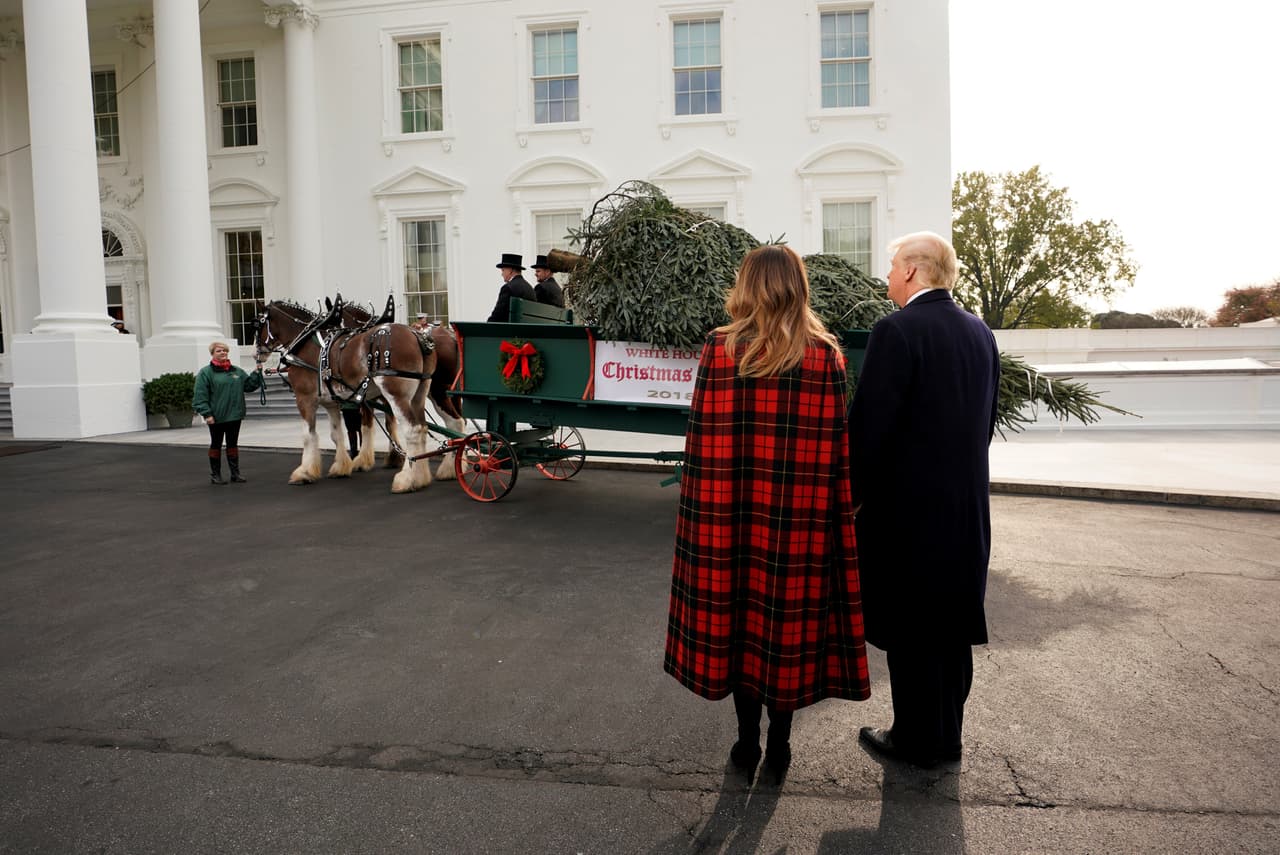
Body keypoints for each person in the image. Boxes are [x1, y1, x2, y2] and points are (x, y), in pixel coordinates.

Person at [664, 244, 871, 785]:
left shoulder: (717, 349)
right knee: (784, 630)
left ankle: (747, 741)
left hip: (728, 520)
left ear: (747, 286)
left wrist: (700, 511)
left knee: (735, 625)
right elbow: (836, 452)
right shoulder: (826, 356)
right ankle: (779, 744)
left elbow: (701, 443)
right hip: (797, 525)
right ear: (798, 287)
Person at [846, 231, 1001, 769]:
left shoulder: (896, 331)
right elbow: (985, 421)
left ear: (912, 271)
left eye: (892, 267)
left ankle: (913, 739)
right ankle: (945, 736)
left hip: (909, 513)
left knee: (912, 629)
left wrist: (855, 496)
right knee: (951, 626)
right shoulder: (981, 332)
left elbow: (871, 428)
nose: (887, 276)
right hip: (964, 509)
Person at [192, 341, 266, 485]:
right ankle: (215, 475)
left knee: (232, 444)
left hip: (234, 415)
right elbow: (200, 396)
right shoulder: (205, 373)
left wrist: (257, 373)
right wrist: (207, 414)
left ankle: (235, 474)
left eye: (225, 351)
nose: (223, 353)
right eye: (219, 351)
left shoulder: (236, 372)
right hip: (216, 417)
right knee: (216, 444)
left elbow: (249, 385)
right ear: (212, 353)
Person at [486, 252, 535, 322]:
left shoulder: (508, 288)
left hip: (511, 330)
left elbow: (497, 315)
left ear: (510, 270)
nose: (502, 274)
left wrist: (486, 326)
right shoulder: (530, 289)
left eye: (503, 270)